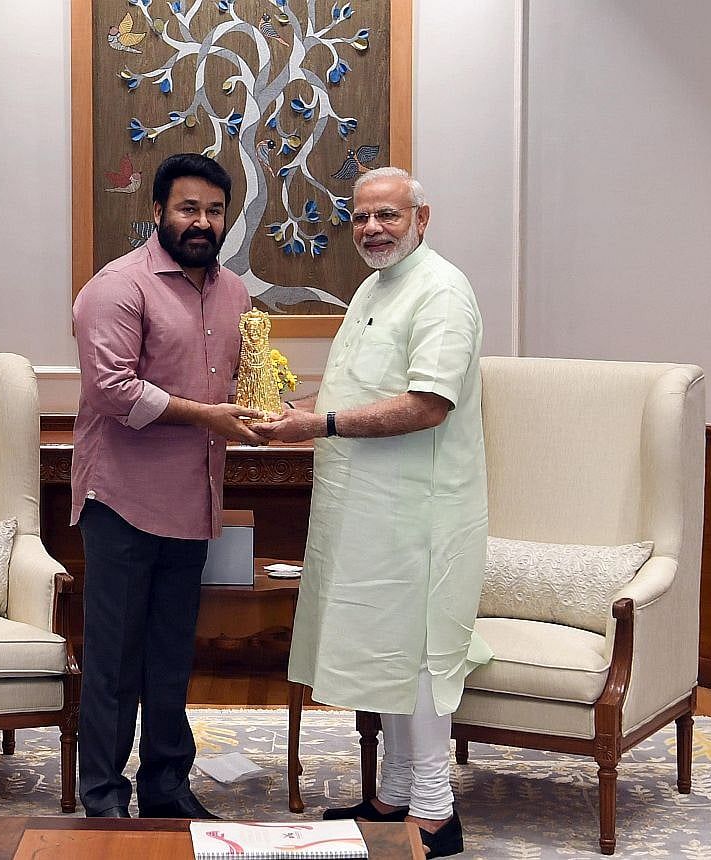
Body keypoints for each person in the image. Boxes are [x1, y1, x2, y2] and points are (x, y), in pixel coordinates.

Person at [253, 167, 489, 858]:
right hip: (368, 510)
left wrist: (318, 424)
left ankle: (436, 815)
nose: (372, 229)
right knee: (386, 649)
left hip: (421, 516)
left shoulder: (442, 290)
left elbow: (428, 404)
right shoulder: (374, 286)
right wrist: (293, 412)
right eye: (360, 217)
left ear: (422, 218)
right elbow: (359, 389)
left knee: (420, 657)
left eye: (388, 215)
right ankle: (391, 797)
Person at [71, 153, 266, 819]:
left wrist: (266, 411)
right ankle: (103, 797)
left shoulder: (235, 294)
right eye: (188, 208)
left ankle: (165, 788)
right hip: (122, 501)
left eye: (214, 210)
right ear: (157, 212)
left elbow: (236, 382)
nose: (202, 222)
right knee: (114, 660)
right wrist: (208, 416)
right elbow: (111, 390)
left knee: (170, 657)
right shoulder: (116, 287)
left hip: (194, 501)